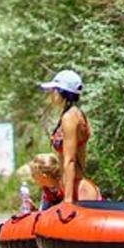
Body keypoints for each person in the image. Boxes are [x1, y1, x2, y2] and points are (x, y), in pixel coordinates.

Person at [40, 69, 91, 205]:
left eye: (53, 90)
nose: (51, 94)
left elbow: (70, 161)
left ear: (61, 92)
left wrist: (68, 201)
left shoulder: (70, 118)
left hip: (75, 190)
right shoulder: (75, 114)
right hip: (70, 186)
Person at [28, 152, 102, 210]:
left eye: (34, 175)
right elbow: (44, 213)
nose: (33, 178)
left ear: (43, 176)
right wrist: (34, 209)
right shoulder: (48, 191)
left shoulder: (70, 185)